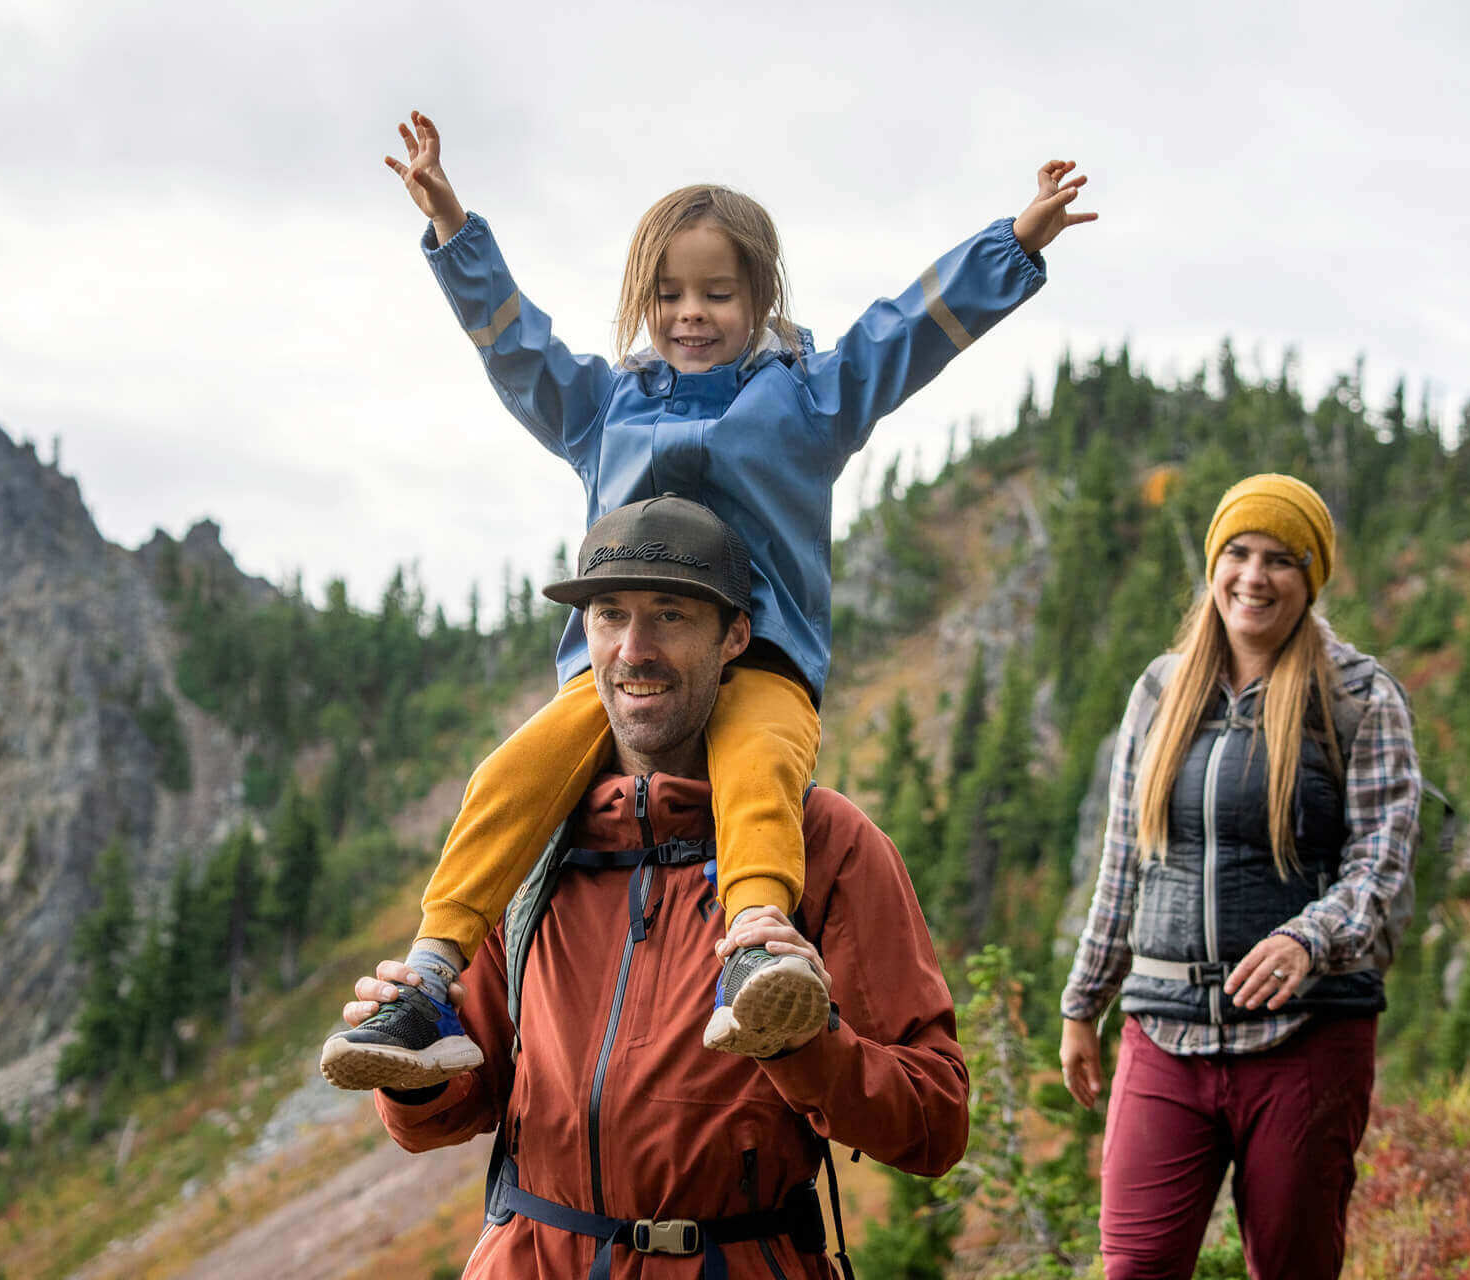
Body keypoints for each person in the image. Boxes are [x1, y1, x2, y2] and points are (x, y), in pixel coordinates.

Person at [322, 108, 1097, 1088]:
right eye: (670, 292)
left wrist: (1015, 240)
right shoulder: (602, 407)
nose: (692, 312)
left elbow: (908, 329)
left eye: (718, 293)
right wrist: (451, 226)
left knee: (760, 765)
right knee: (511, 774)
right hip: (621, 676)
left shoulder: (811, 396)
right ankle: (429, 976)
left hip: (760, 657)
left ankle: (758, 947)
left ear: (760, 296)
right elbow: (516, 348)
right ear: (643, 299)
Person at [339, 496, 968, 1277]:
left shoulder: (826, 844)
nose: (635, 649)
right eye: (610, 616)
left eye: (670, 615)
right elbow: (458, 1106)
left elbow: (935, 1123)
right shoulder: (533, 840)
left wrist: (806, 1044)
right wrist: (412, 1082)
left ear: (734, 635)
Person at [1057, 474, 1424, 1280]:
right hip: (1163, 1031)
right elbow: (1124, 861)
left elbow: (1382, 864)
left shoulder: (1361, 698)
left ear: (1311, 578)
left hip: (1307, 1038)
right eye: (1238, 553)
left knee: (1294, 1264)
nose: (1254, 577)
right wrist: (1083, 1003)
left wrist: (1309, 940)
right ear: (1214, 563)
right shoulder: (1159, 689)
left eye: (1280, 560)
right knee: (1134, 1267)